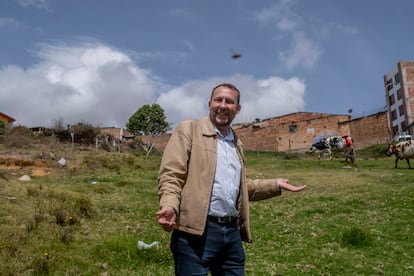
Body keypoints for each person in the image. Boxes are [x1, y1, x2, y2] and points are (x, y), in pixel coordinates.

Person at [156, 83, 307, 275]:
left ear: (238, 108)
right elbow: (171, 175)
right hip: (194, 232)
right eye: (218, 100)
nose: (223, 105)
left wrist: (275, 184)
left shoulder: (236, 143)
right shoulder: (189, 130)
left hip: (231, 232)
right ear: (210, 103)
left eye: (229, 101)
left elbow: (240, 188)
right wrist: (169, 205)